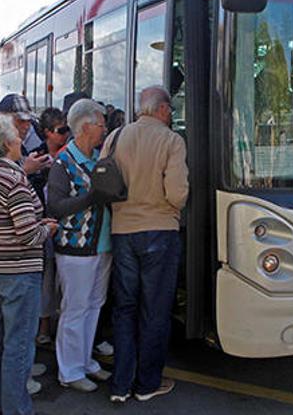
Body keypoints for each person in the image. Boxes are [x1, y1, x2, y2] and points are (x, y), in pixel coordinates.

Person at [103, 86, 189, 403]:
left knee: (124, 308)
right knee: (155, 311)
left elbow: (103, 182)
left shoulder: (115, 137)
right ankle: (147, 383)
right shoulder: (172, 140)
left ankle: (120, 385)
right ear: (163, 109)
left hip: (122, 230)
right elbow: (178, 194)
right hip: (160, 231)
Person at [0, 115, 57, 415]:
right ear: (8, 144)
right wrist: (48, 228)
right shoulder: (15, 180)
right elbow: (28, 234)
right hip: (17, 271)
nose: (22, 140)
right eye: (18, 138)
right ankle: (16, 409)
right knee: (18, 346)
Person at [46, 99, 113, 392]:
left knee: (93, 306)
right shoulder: (63, 163)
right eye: (101, 124)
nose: (105, 129)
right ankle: (70, 371)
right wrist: (92, 198)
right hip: (76, 248)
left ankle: (84, 361)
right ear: (86, 127)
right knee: (75, 308)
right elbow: (56, 206)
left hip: (100, 245)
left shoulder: (98, 156)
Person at [34, 107, 69, 347]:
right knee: (46, 278)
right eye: (61, 130)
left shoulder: (71, 155)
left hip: (65, 224)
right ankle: (44, 325)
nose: (66, 134)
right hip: (44, 225)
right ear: (47, 133)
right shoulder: (35, 158)